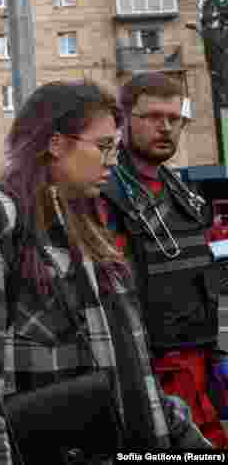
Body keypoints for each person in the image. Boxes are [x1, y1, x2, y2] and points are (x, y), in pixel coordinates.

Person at [0, 81, 208, 464]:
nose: (112, 160)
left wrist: (183, 437)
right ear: (56, 144)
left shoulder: (88, 222)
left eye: (115, 148)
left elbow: (128, 361)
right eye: (104, 146)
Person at [100, 72, 227, 448]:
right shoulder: (105, 195)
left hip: (197, 362)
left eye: (175, 119)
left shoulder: (181, 191)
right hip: (149, 374)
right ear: (122, 120)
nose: (166, 127)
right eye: (153, 116)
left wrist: (214, 353)